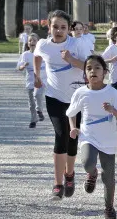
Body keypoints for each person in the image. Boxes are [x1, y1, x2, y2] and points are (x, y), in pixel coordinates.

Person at [33, 10, 90, 200]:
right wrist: (37, 75)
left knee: (73, 138)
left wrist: (72, 60)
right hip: (54, 97)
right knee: (61, 134)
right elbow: (37, 56)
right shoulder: (43, 44)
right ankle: (57, 184)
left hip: (77, 98)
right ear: (49, 27)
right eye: (55, 26)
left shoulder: (77, 44)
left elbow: (90, 67)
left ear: (69, 29)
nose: (59, 30)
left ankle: (70, 174)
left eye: (63, 27)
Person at [67, 55, 117, 219]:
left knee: (108, 177)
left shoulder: (112, 93)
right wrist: (73, 128)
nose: (92, 71)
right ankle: (92, 173)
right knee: (87, 163)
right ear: (85, 74)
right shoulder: (81, 93)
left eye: (97, 68)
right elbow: (71, 113)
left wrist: (113, 111)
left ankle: (109, 207)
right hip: (88, 136)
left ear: (105, 72)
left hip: (107, 139)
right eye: (89, 68)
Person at [17, 33, 46, 128]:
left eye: (34, 40)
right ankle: (33, 120)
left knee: (37, 95)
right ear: (27, 43)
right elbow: (19, 68)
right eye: (30, 40)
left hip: (41, 80)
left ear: (38, 42)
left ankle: (39, 110)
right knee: (31, 103)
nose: (32, 42)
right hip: (30, 81)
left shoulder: (42, 53)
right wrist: (23, 65)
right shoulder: (25, 54)